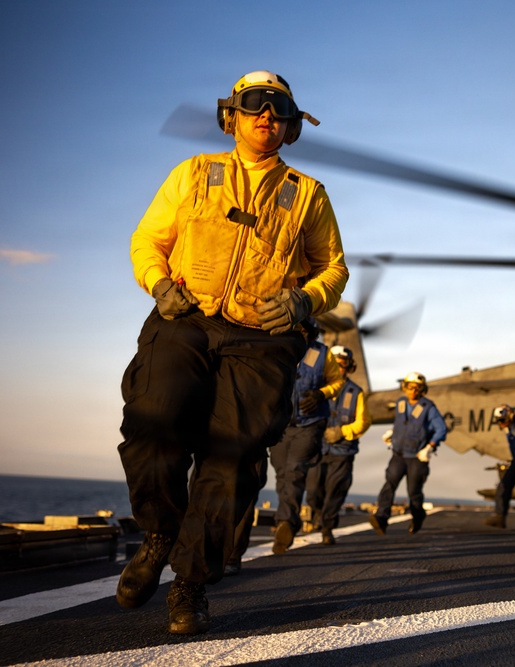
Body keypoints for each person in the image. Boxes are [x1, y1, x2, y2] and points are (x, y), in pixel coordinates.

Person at [115, 70, 348, 635]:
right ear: (232, 116)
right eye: (253, 104)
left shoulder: (309, 195)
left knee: (234, 454)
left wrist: (303, 301)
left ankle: (191, 582)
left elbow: (334, 269)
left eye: (278, 107)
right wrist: (156, 281)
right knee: (152, 418)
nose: (265, 114)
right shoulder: (194, 174)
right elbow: (149, 239)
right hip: (186, 316)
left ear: (291, 125)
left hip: (264, 336)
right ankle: (159, 535)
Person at [269, 321, 345, 554]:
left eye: (303, 329)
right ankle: (289, 520)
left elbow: (337, 382)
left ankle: (286, 522)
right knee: (281, 472)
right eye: (295, 328)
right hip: (281, 424)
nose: (299, 333)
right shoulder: (277, 347)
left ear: (311, 332)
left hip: (309, 424)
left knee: (294, 470)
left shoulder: (321, 354)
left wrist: (321, 393)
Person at [306, 345, 373, 545]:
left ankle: (327, 528)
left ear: (348, 367)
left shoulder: (356, 393)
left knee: (335, 490)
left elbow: (364, 422)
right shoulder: (314, 389)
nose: (338, 369)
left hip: (342, 450)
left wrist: (341, 432)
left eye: (342, 365)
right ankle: (318, 512)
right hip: (317, 447)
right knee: (313, 490)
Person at [368, 372, 447, 535]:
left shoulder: (428, 407)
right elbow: (402, 423)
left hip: (417, 457)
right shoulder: (401, 403)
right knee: (389, 484)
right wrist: (393, 432)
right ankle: (381, 518)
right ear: (405, 387)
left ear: (422, 389)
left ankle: (418, 517)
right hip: (398, 454)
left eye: (417, 388)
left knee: (414, 492)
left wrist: (429, 448)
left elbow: (441, 429)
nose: (413, 391)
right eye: (410, 387)